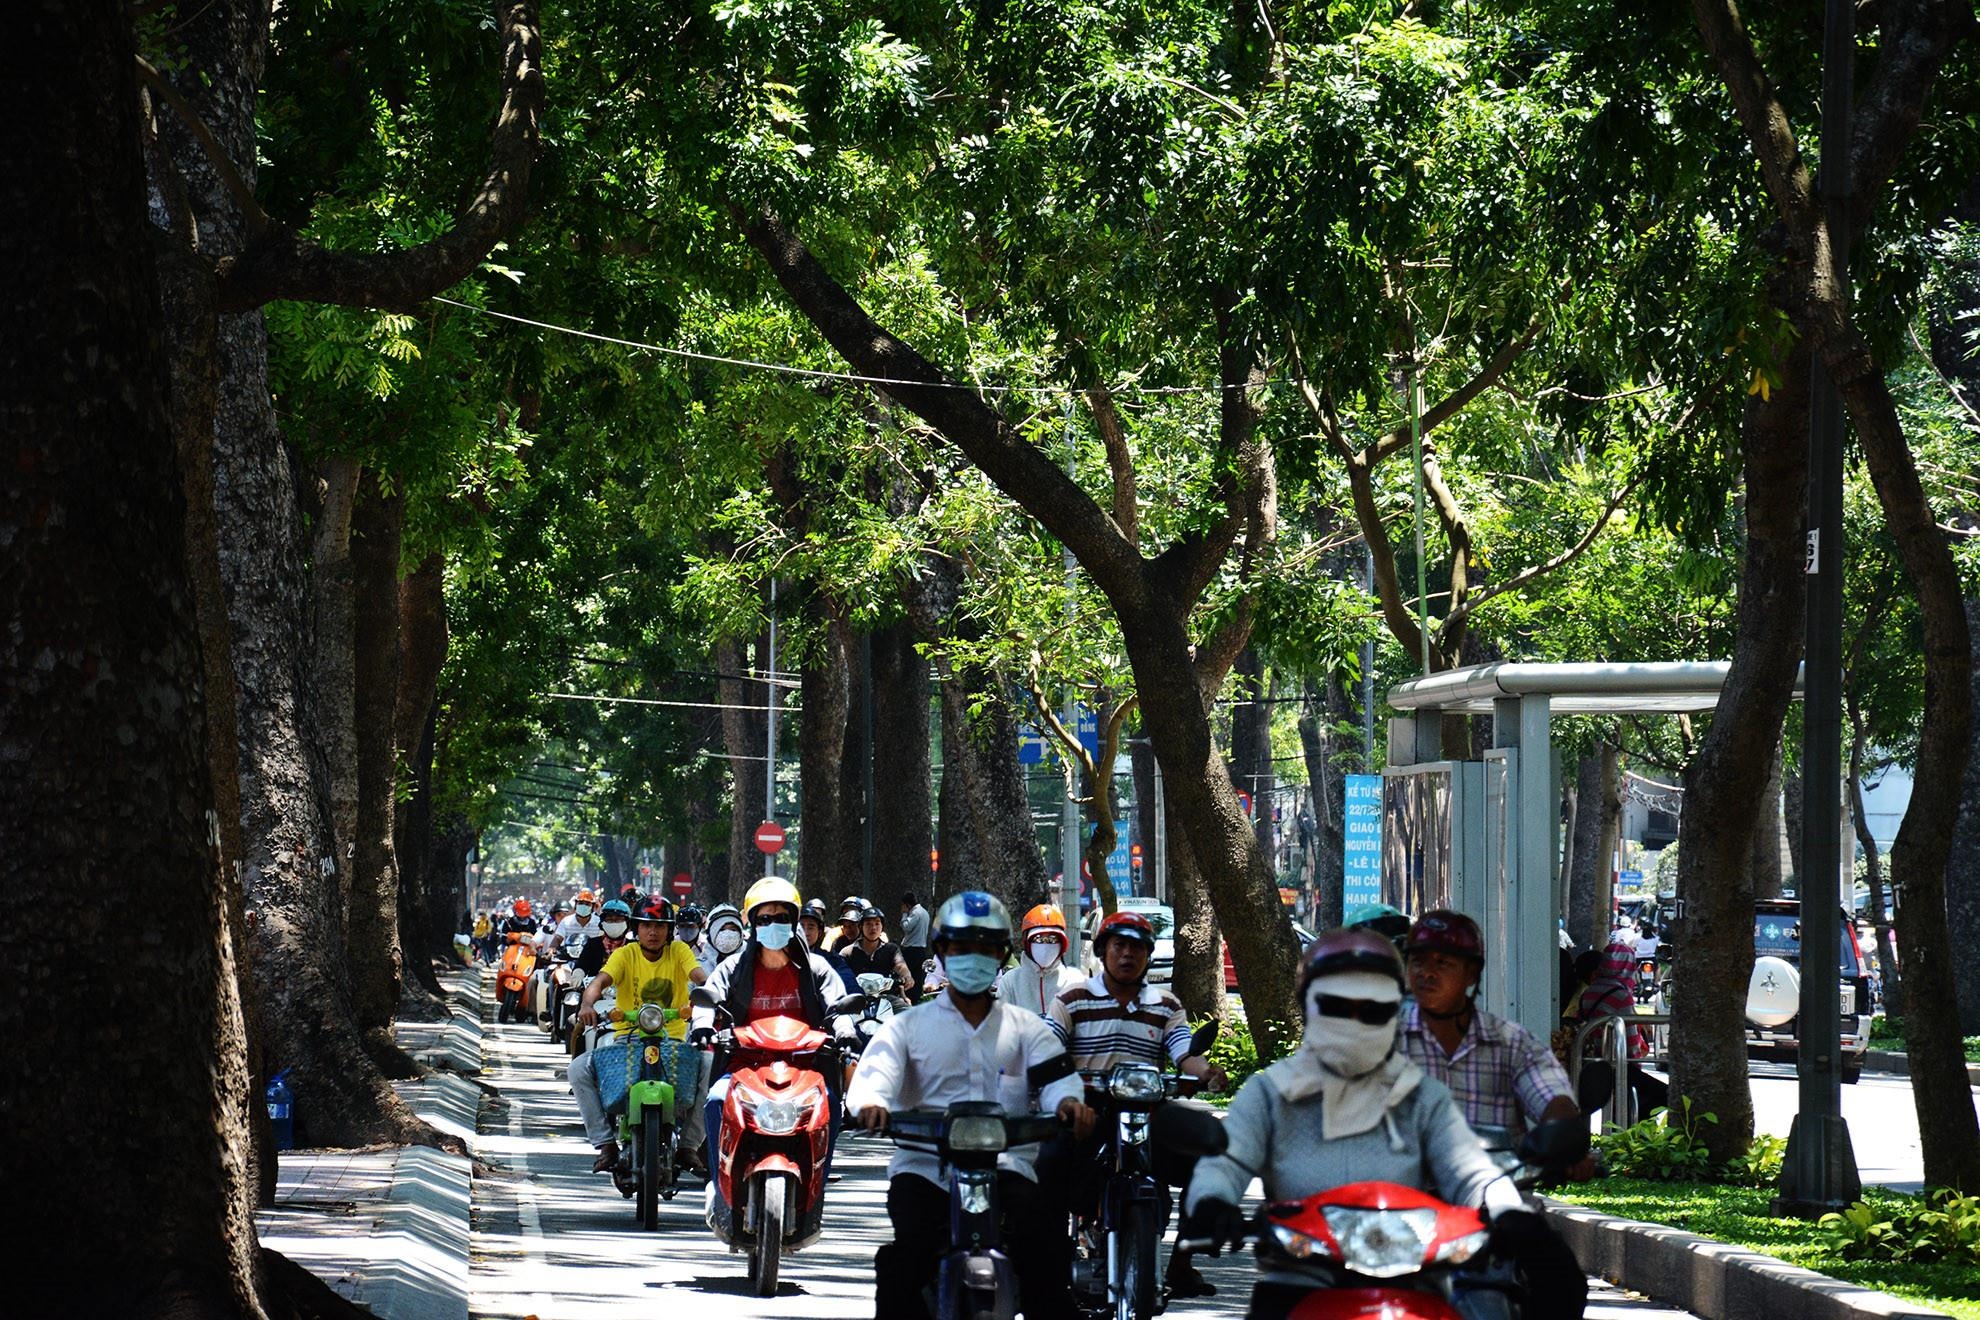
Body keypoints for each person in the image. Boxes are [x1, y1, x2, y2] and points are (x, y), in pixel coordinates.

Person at [1182, 928, 1569, 1320]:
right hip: (1296, 1282)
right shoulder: (1268, 1093)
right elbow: (1225, 1162)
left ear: (1393, 1011)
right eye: (1337, 1006)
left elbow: (1471, 1172)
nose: (1354, 1022)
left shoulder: (1421, 1096)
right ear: (1307, 1004)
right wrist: (1212, 1202)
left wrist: (1509, 1213)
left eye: (1372, 1010)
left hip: (1415, 1279)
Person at [847, 891, 1095, 1320]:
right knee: (904, 1261)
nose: (973, 958)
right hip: (924, 1169)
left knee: (1045, 1253)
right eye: (961, 947)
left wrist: (1069, 1104)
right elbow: (876, 1074)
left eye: (985, 948)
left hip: (1007, 1168)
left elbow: (1056, 1077)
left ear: (1001, 956)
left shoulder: (1026, 1028)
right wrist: (871, 1104)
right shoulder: (908, 1026)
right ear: (942, 952)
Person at [1045, 908, 1225, 1298]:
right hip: (1086, 1109)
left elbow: (1183, 1053)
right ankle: (1046, 1264)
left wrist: (1204, 1072)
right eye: (1119, 946)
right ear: (1103, 951)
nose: (1127, 954)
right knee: (1045, 1165)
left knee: (1214, 1152)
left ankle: (1183, 1261)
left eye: (1137, 948)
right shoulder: (1072, 999)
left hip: (1147, 1110)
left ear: (1148, 956)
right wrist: (1064, 1095)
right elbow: (1046, 1049)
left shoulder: (1166, 1005)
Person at [691, 878, 851, 1167]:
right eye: (765, 919)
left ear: (793, 922)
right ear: (754, 924)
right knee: (716, 1100)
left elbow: (837, 1005)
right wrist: (702, 1025)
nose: (773, 924)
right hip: (743, 1065)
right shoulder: (734, 967)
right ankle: (719, 1183)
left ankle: (817, 1185)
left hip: (806, 1067)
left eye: (781, 918)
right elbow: (708, 997)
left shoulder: (816, 968)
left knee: (831, 1103)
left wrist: (845, 1031)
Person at [1398, 910, 1583, 1149]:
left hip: (1495, 1173)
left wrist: (1563, 1133)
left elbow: (1551, 1096)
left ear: (1472, 973)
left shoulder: (1513, 1043)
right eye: (1418, 962)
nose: (1427, 972)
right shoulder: (1380, 1042)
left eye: (1443, 963)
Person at [568, 895, 710, 1176]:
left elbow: (699, 976)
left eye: (660, 926)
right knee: (577, 1069)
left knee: (711, 1066)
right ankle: (605, 1143)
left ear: (670, 930)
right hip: (627, 1039)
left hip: (673, 1041)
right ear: (636, 928)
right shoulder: (625, 954)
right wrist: (587, 1004)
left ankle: (689, 1145)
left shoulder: (680, 951)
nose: (653, 932)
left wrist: (710, 994)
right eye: (646, 925)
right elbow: (600, 981)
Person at [1576, 935, 1668, 1118]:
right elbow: (1631, 1040)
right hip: (1619, 1062)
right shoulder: (1621, 995)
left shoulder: (1590, 991)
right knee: (1663, 1095)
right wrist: (1636, 1062)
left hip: (1594, 1061)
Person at [996, 903, 1084, 1017]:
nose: (1045, 946)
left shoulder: (1075, 980)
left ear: (1062, 944)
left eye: (1052, 939)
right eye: (1039, 939)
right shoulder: (1010, 982)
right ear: (1026, 942)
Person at [843, 903, 914, 997]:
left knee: (904, 1006)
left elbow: (900, 966)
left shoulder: (891, 949)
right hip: (856, 997)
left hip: (885, 997)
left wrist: (907, 976)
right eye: (868, 924)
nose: (873, 928)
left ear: (882, 927)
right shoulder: (847, 952)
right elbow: (839, 973)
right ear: (861, 927)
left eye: (877, 923)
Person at [799, 904, 857, 989]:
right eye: (801, 926)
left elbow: (847, 980)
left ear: (819, 932)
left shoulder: (830, 959)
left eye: (811, 927)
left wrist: (855, 994)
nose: (805, 932)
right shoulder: (781, 957)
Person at [573, 898, 632, 977]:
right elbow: (582, 964)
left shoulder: (633, 947)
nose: (614, 923)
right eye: (609, 920)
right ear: (602, 923)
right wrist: (578, 972)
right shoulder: (593, 944)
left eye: (618, 920)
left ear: (627, 923)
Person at [898, 890, 931, 994]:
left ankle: (906, 997)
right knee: (917, 977)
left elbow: (906, 927)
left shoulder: (915, 913)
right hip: (921, 949)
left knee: (906, 976)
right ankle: (915, 998)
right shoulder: (924, 912)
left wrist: (904, 914)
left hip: (911, 949)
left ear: (907, 904)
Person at [699, 902, 745, 974]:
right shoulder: (699, 968)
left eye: (733, 929)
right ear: (711, 934)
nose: (727, 934)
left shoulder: (753, 963)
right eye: (721, 929)